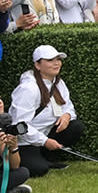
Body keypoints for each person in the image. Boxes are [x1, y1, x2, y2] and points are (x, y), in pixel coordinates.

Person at [10, 44, 86, 178]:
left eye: (58, 59)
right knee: (38, 170)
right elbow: (20, 125)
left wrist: (67, 116)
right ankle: (37, 160)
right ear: (38, 65)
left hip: (48, 132)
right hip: (26, 140)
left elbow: (69, 106)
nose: (56, 63)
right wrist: (44, 141)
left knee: (76, 127)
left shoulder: (58, 82)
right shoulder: (28, 89)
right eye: (50, 60)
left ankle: (47, 158)